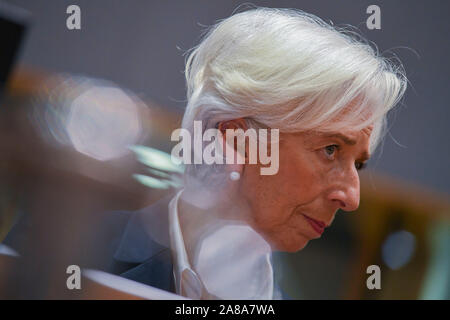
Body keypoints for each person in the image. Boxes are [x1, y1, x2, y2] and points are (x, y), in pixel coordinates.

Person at [3, 7, 407, 299]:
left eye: (358, 165)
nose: (351, 197)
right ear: (234, 138)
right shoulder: (71, 246)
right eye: (330, 149)